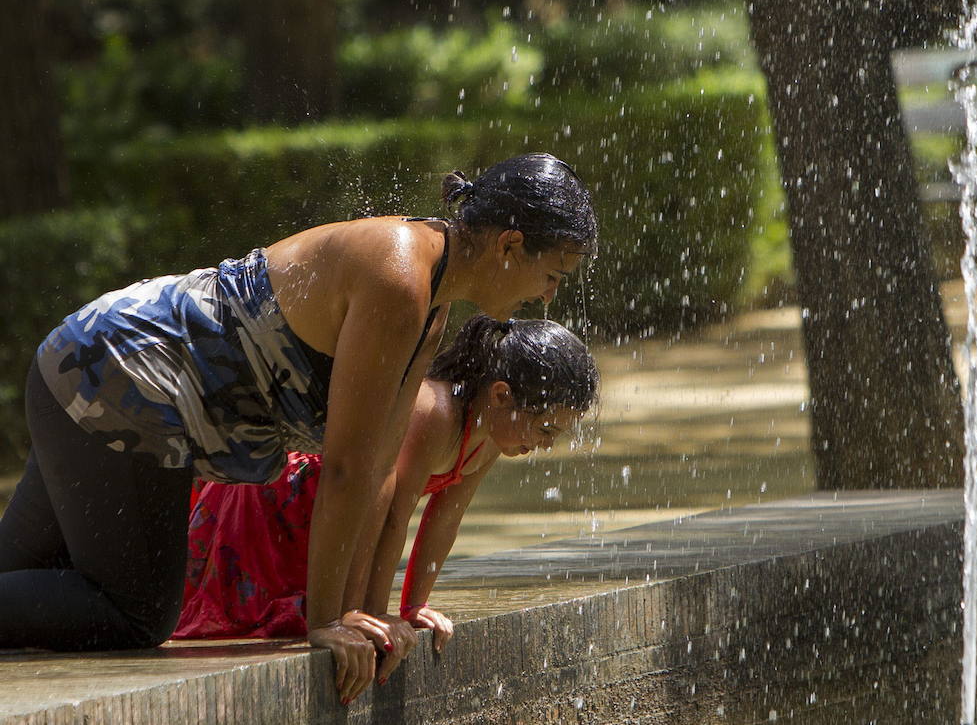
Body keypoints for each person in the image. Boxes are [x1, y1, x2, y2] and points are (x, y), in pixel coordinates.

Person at [0, 153, 595, 704]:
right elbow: (342, 466)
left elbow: (378, 475)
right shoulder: (398, 273)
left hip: (89, 361)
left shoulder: (431, 308)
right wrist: (328, 623)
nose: (549, 294)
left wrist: (371, 612)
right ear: (510, 245)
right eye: (555, 273)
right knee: (137, 613)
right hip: (121, 378)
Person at [173, 315, 598, 657]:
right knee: (263, 611)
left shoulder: (489, 439)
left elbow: (443, 522)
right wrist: (374, 612)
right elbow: (393, 515)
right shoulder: (435, 411)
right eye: (545, 429)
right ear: (501, 395)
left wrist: (414, 607)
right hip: (288, 501)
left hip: (344, 517)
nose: (543, 445)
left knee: (319, 611)